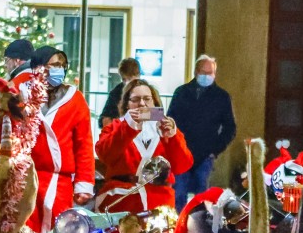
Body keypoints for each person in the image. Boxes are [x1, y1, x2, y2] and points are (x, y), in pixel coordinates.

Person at [95, 79, 193, 214]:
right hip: (122, 200)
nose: (142, 103)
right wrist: (128, 127)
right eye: (135, 99)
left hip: (159, 203)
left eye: (147, 98)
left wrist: (172, 137)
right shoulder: (115, 127)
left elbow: (183, 166)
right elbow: (105, 155)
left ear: (154, 102)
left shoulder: (166, 129)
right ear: (126, 104)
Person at [26, 46, 95, 232]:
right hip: (26, 180)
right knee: (26, 232)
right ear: (39, 67)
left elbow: (84, 144)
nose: (59, 69)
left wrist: (84, 183)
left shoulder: (75, 99)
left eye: (62, 65)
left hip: (60, 183)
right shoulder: (23, 96)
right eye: (54, 64)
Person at [167, 54, 236, 209]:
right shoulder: (182, 93)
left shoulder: (221, 97)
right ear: (196, 72)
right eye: (203, 72)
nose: (207, 76)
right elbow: (170, 120)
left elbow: (230, 127)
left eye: (210, 72)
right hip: (181, 152)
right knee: (178, 194)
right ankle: (178, 227)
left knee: (201, 197)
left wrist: (215, 149)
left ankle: (198, 229)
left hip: (205, 154)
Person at [100, 57, 141, 129]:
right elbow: (104, 120)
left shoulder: (148, 90)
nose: (127, 83)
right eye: (124, 79)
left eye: (130, 79)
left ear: (138, 75)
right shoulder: (116, 92)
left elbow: (158, 116)